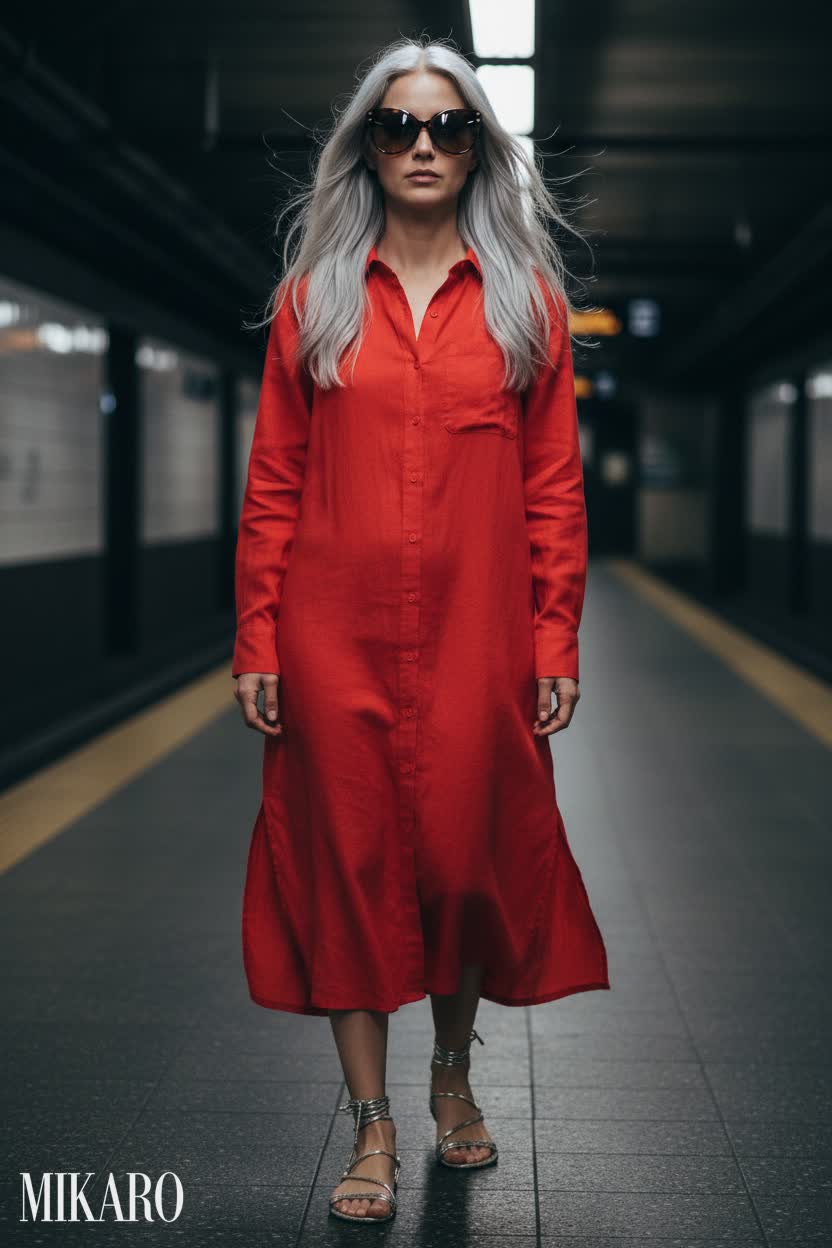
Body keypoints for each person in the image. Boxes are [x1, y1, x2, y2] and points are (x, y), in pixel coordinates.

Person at [232, 35, 610, 1225]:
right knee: (346, 873)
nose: (424, 145)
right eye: (399, 125)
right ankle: (373, 1124)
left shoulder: (524, 308)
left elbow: (554, 489)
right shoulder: (314, 303)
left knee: (457, 865)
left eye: (449, 127)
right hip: (330, 634)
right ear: (369, 147)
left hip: (476, 640)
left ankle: (449, 1075)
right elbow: (273, 486)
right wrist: (258, 638)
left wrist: (555, 638)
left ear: (481, 151)